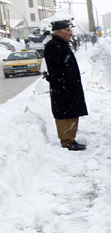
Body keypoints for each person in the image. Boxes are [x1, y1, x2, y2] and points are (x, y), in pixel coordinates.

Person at [43, 21, 88, 151]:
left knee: (72, 112)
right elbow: (55, 68)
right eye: (68, 30)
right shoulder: (53, 46)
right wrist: (67, 80)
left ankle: (71, 139)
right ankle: (67, 141)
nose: (71, 32)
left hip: (69, 86)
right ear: (60, 32)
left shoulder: (62, 44)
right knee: (64, 114)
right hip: (62, 88)